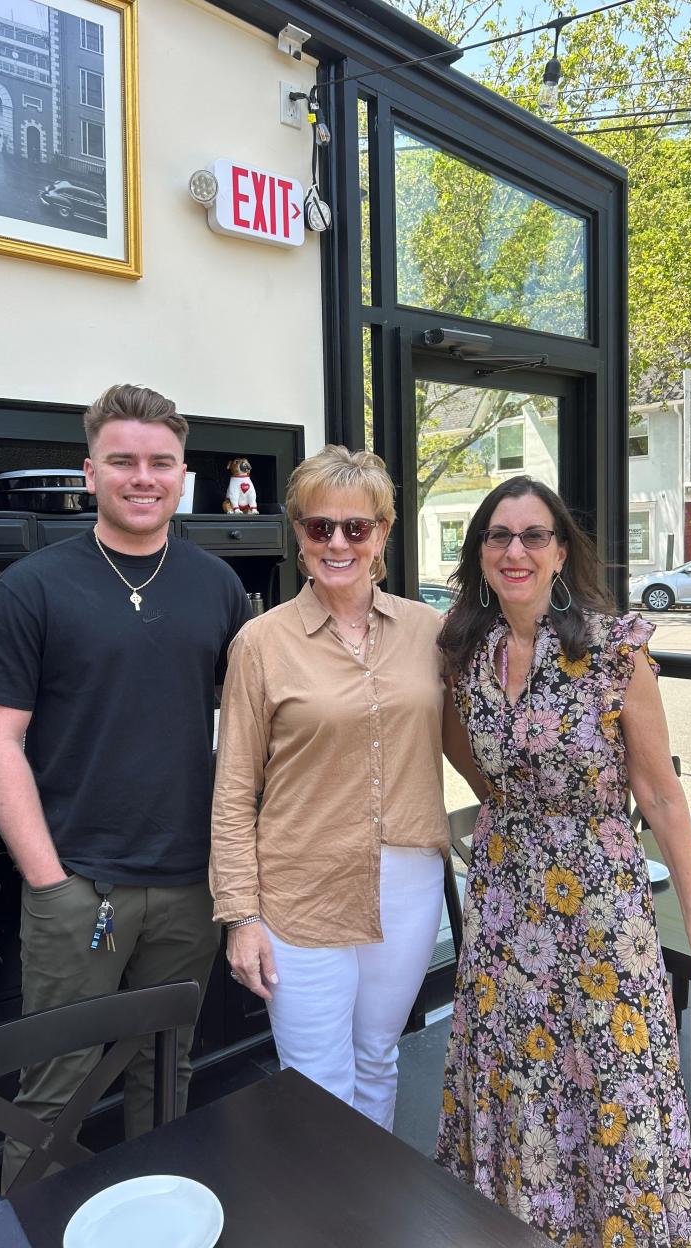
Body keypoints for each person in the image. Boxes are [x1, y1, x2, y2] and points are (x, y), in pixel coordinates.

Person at [434, 475, 691, 1247]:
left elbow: (662, 798)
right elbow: (466, 758)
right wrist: (517, 812)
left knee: (616, 1085)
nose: (516, 550)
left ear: (562, 552)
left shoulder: (613, 652)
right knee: (515, 1086)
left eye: (534, 535)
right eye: (499, 536)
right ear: (481, 554)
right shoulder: (467, 653)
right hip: (504, 910)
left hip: (600, 910)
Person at [0, 384, 250, 1187]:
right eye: (122, 460)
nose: (142, 477)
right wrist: (48, 882)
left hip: (190, 883)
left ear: (183, 476)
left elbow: (255, 726)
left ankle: (153, 1222)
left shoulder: (216, 587)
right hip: (77, 883)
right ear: (89, 472)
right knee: (52, 1090)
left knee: (168, 1075)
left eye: (160, 462)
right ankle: (29, 1230)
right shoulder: (34, 586)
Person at [209, 445, 484, 1131]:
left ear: (383, 533)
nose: (337, 542)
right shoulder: (261, 643)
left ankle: (373, 1215)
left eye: (356, 528)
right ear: (298, 535)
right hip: (300, 891)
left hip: (408, 884)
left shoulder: (429, 630)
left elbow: (471, 739)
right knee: (316, 1083)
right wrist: (241, 917)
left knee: (377, 1057)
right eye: (318, 527)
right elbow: (234, 789)